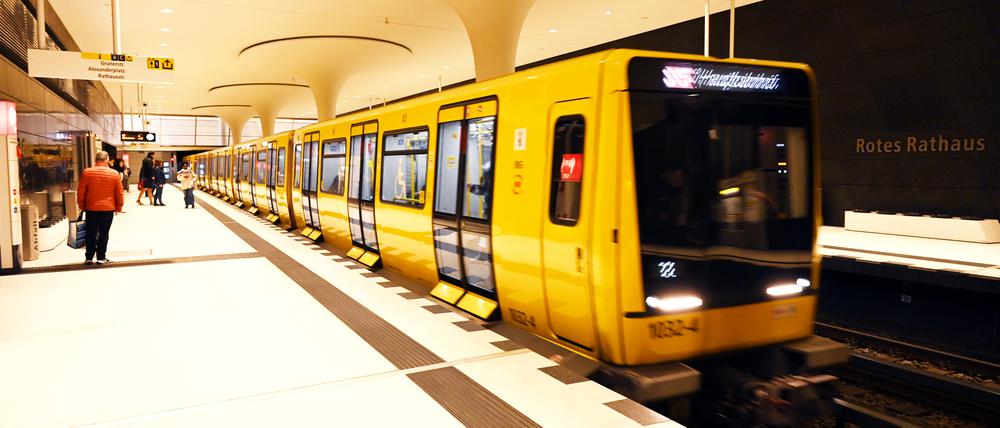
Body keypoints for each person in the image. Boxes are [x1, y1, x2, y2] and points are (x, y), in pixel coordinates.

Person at [77, 150, 124, 265]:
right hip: (107, 209)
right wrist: (119, 206)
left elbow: (81, 191)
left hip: (91, 208)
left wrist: (81, 205)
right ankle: (101, 257)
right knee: (104, 233)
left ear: (95, 160)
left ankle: (89, 257)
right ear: (107, 160)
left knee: (91, 232)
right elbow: (119, 192)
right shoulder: (114, 174)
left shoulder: (87, 172)